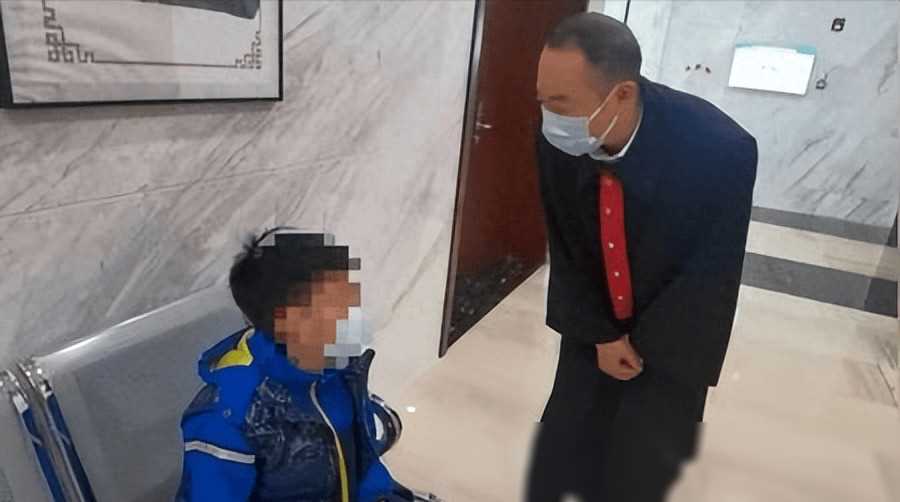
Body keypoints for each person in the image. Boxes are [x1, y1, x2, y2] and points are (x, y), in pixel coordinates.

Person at [526, 13, 758, 502]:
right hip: (592, 323)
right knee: (567, 450)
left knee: (641, 469)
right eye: (543, 101)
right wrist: (601, 334)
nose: (550, 117)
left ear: (622, 94)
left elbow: (709, 271)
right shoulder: (557, 138)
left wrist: (646, 346)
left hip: (671, 339)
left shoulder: (719, 149)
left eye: (561, 103)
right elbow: (566, 241)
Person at [175, 228, 419, 502]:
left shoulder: (339, 369)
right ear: (294, 321)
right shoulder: (229, 417)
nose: (353, 311)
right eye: (338, 304)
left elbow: (362, 464)